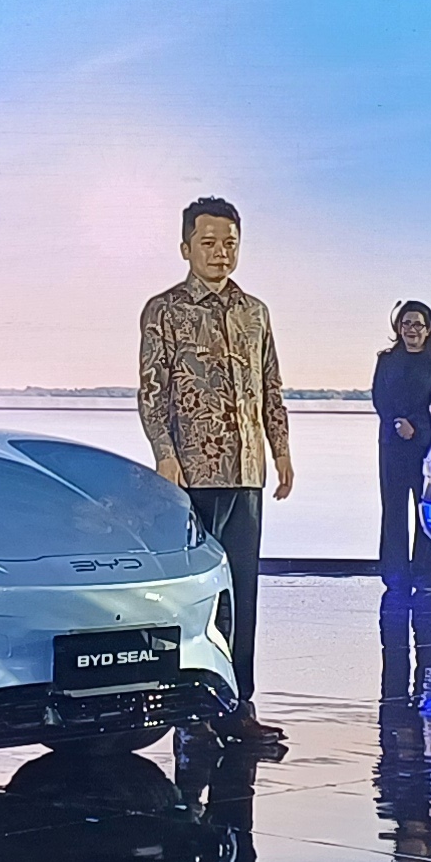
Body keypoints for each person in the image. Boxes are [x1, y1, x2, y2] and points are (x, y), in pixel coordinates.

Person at [138, 196, 293, 746]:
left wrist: (281, 450)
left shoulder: (255, 311)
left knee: (242, 596)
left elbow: (270, 385)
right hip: (192, 475)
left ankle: (238, 706)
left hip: (246, 471)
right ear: (186, 248)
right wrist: (165, 453)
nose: (220, 253)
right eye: (208, 243)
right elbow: (152, 391)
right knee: (195, 598)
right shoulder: (164, 310)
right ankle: (191, 714)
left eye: (229, 243)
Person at [372, 301, 431, 594]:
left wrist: (416, 426)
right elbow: (380, 398)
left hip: (427, 445)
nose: (412, 330)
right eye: (406, 323)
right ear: (398, 327)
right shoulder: (386, 360)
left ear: (428, 329)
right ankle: (394, 576)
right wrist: (398, 423)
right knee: (393, 512)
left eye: (418, 324)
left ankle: (425, 577)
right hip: (392, 444)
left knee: (427, 511)